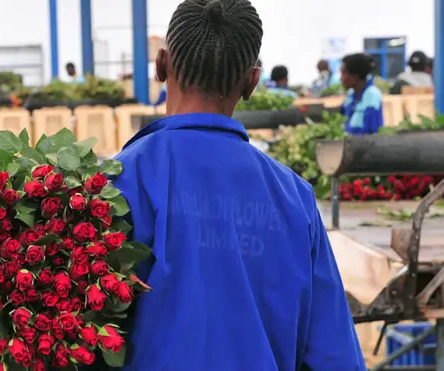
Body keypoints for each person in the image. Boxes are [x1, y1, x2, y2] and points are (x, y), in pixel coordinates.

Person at [113, 1, 365, 370]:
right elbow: (333, 356)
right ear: (251, 82)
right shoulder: (295, 198)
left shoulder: (117, 183)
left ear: (162, 65)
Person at [340, 53, 384, 135]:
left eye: (343, 73)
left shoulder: (372, 95)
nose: (341, 78)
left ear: (355, 76)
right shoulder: (351, 95)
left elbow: (371, 131)